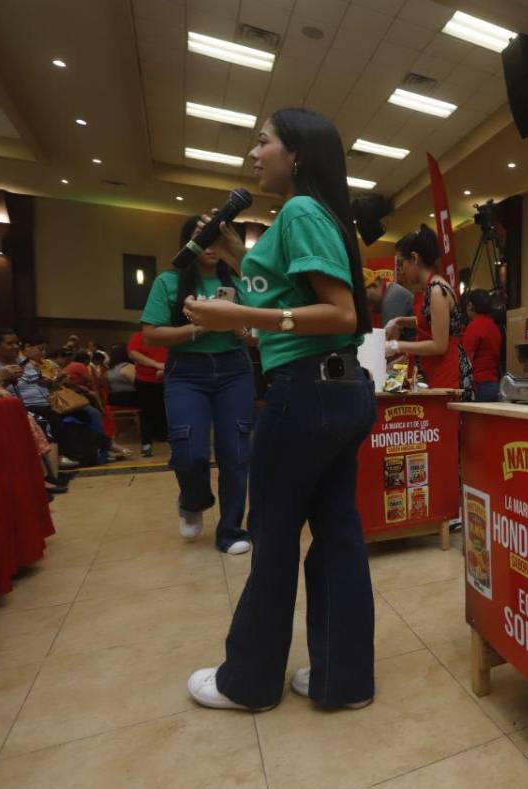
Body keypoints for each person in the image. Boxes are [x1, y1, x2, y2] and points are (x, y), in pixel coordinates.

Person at [181, 107, 376, 712]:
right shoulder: (315, 215)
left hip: (306, 394)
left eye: (262, 142)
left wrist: (236, 314)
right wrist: (239, 265)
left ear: (297, 154)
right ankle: (341, 680)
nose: (254, 154)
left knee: (273, 534)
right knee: (338, 531)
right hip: (335, 390)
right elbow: (295, 309)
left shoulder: (299, 211)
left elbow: (340, 314)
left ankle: (249, 681)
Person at [140, 217, 256, 556]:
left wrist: (239, 329)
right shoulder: (169, 282)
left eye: (215, 239)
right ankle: (193, 500)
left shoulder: (237, 282)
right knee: (188, 449)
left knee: (235, 452)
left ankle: (232, 529)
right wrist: (199, 329)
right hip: (186, 372)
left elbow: (255, 337)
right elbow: (152, 333)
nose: (209, 245)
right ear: (186, 244)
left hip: (234, 370)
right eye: (200, 238)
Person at [384, 225, 472, 397]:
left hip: (448, 373)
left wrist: (395, 345)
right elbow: (429, 320)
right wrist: (399, 321)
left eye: (401, 264)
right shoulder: (430, 288)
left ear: (414, 258)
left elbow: (439, 345)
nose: (400, 271)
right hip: (433, 370)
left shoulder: (437, 291)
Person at [127, 328, 168, 457]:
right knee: (146, 413)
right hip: (145, 380)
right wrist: (156, 364)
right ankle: (146, 444)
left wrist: (165, 368)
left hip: (167, 379)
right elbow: (133, 354)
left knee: (167, 411)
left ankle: (169, 440)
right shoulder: (139, 336)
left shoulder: (169, 334)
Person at [461, 289, 502, 401]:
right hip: (494, 384)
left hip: (479, 384)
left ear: (470, 305)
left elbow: (465, 358)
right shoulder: (494, 326)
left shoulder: (475, 326)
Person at [365, 270, 414, 340]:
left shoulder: (392, 297)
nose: (369, 310)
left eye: (369, 303)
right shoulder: (385, 294)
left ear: (375, 286)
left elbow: (387, 340)